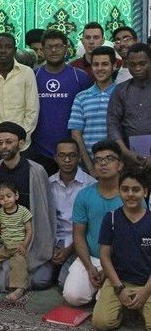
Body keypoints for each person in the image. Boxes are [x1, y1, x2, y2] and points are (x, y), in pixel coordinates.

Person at [0, 122, 55, 292]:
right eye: (0, 143)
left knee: (40, 280)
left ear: (21, 143)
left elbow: (45, 211)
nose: (4, 146)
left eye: (9, 142)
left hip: (27, 237)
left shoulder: (36, 171)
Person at [63, 140, 124, 306]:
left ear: (120, 165)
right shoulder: (84, 195)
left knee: (108, 303)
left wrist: (109, 268)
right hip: (91, 258)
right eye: (98, 160)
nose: (103, 163)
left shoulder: (130, 195)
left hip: (121, 261)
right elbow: (78, 234)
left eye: (109, 159)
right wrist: (89, 266)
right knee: (72, 296)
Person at [93, 167, 151, 330]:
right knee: (101, 322)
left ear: (145, 192)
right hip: (118, 281)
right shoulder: (111, 218)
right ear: (119, 191)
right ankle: (127, 308)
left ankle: (138, 306)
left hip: (147, 283)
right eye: (125, 189)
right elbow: (104, 256)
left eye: (136, 190)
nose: (130, 194)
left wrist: (145, 291)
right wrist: (119, 289)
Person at [32, 29, 92, 175]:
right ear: (42, 49)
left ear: (66, 48)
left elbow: (87, 114)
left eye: (58, 46)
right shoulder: (33, 76)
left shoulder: (80, 77)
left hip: (72, 153)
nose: (54, 50)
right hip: (39, 152)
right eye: (49, 47)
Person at [0, 33, 39, 172]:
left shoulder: (26, 73)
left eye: (8, 47)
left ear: (15, 50)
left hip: (22, 147)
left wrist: (16, 141)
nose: (3, 51)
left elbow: (32, 111)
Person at [48, 138, 96, 287]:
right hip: (54, 242)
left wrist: (69, 250)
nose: (67, 160)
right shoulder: (48, 183)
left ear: (79, 157)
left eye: (72, 155)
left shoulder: (91, 185)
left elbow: (92, 227)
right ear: (56, 158)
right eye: (62, 155)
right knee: (39, 280)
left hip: (79, 243)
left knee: (64, 283)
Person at [68, 46, 118, 172]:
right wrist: (90, 168)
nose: (100, 68)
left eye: (105, 64)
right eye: (96, 64)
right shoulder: (81, 97)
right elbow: (76, 135)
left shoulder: (122, 94)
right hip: (88, 168)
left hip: (118, 168)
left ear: (114, 66)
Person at [107, 43, 151, 160]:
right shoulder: (120, 90)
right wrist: (125, 152)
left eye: (142, 63)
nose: (137, 68)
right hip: (129, 157)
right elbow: (113, 124)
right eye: (132, 64)